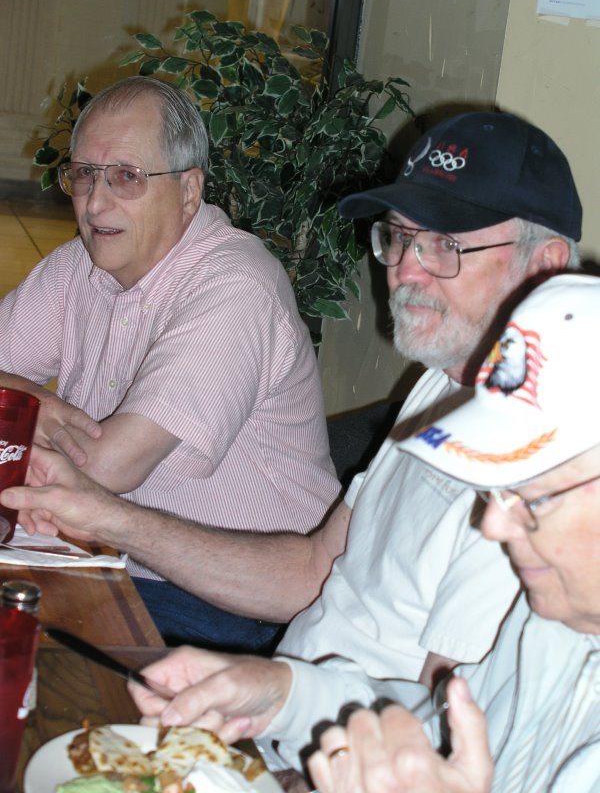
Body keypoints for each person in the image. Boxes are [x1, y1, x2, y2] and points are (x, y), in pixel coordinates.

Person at [2, 111, 583, 785]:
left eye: (445, 246)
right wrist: (104, 518)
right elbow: (314, 570)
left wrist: (280, 757)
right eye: (398, 238)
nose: (407, 271)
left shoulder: (549, 480)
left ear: (545, 267)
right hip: (276, 721)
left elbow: (449, 742)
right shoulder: (436, 390)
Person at [0, 76, 340, 651]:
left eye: (126, 177)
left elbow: (104, 467)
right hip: (113, 556)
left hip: (241, 605)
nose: (95, 202)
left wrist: (20, 417)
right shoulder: (76, 266)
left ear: (189, 191)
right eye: (84, 174)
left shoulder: (236, 286)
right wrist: (26, 399)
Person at [307, 273, 600, 793]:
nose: (491, 524)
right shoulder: (546, 629)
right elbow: (433, 722)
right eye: (496, 492)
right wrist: (284, 696)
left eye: (532, 498)